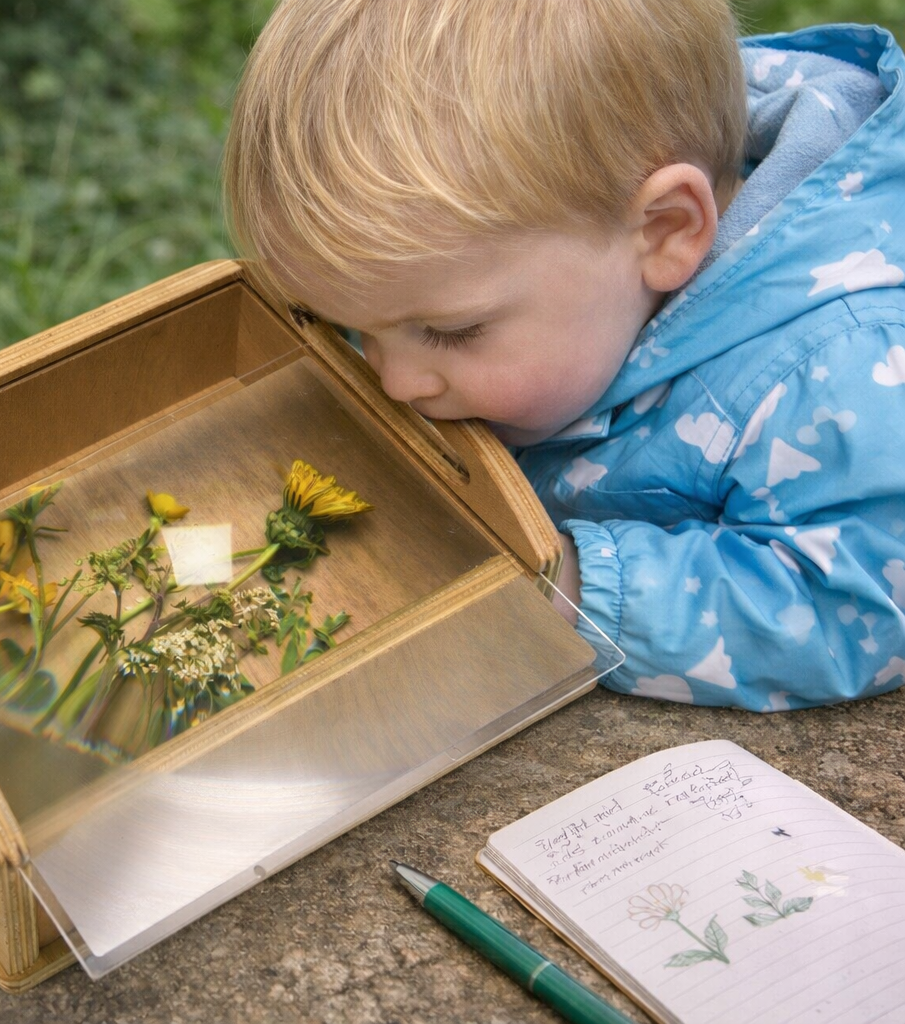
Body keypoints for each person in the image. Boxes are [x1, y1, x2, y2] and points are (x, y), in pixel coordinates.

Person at [222, 0, 905, 710]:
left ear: (666, 230)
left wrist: (569, 589)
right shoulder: (564, 212)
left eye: (451, 332)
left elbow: (852, 603)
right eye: (350, 327)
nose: (394, 382)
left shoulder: (835, 371)